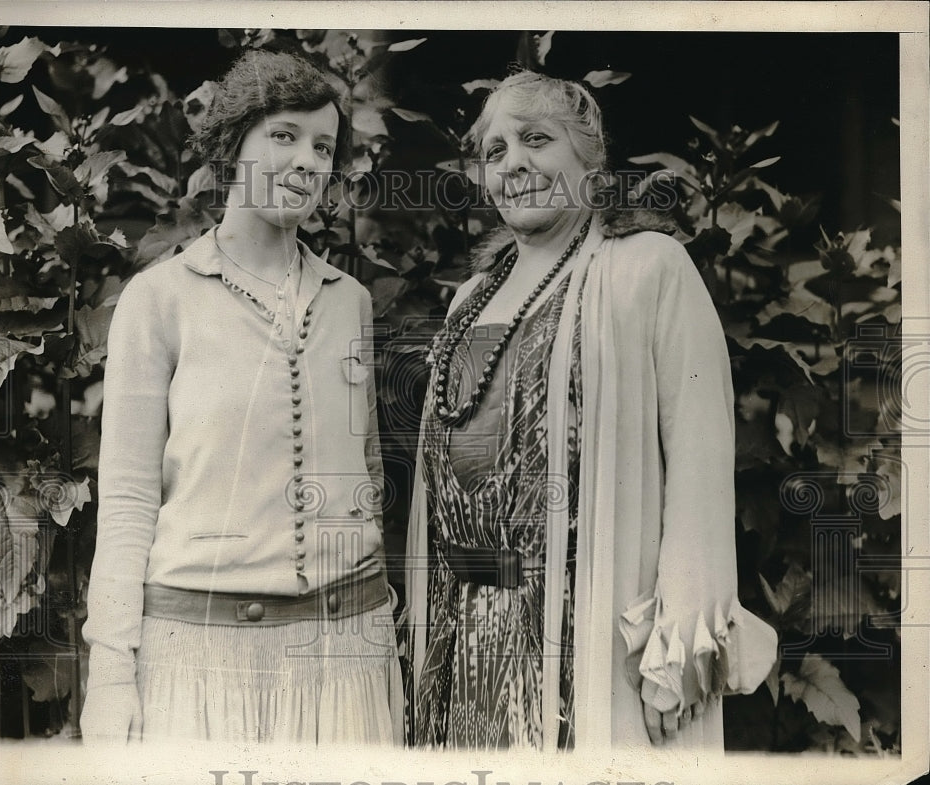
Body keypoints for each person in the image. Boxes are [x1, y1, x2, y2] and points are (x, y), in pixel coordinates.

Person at [404, 70, 777, 750]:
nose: (514, 162)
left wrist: (680, 650)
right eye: (495, 150)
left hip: (592, 635)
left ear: (590, 156)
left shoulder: (649, 269)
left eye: (536, 140)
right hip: (467, 643)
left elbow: (700, 458)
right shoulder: (467, 304)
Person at [81, 50, 402, 744]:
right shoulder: (158, 299)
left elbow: (365, 470)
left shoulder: (349, 302)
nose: (308, 161)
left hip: (343, 655)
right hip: (200, 661)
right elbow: (130, 498)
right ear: (233, 144)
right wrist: (110, 670)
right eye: (283, 136)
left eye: (323, 146)